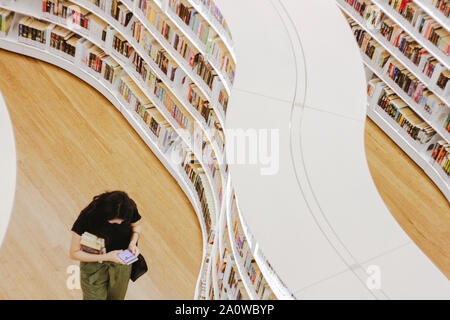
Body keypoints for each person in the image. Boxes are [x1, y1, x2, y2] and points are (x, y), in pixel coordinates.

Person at [69, 191, 142, 300]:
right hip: (94, 266)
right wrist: (107, 257)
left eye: (123, 220)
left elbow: (136, 227)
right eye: (116, 220)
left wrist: (133, 243)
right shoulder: (87, 217)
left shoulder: (128, 209)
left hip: (121, 266)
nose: (120, 222)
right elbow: (74, 253)